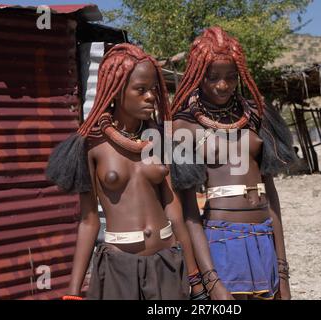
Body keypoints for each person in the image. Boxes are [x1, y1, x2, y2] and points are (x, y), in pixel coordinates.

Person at [46, 43, 206, 300]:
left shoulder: (161, 142)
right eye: (140, 90)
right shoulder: (92, 146)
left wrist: (196, 280)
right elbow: (88, 221)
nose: (151, 97)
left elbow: (174, 213)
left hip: (166, 263)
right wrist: (73, 293)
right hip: (119, 269)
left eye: (153, 89)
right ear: (118, 91)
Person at [170, 27, 297, 300]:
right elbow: (189, 211)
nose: (223, 85)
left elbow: (271, 195)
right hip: (220, 241)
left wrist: (283, 273)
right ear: (196, 75)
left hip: (264, 237)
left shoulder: (255, 115)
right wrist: (211, 280)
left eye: (230, 77)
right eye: (213, 77)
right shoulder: (183, 126)